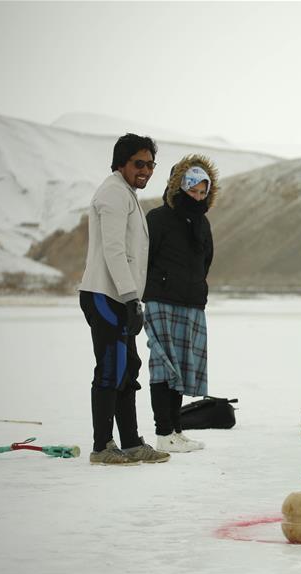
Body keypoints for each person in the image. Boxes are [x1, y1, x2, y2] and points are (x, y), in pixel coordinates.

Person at [78, 133, 170, 465]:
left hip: (119, 296)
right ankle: (102, 446)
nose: (145, 170)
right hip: (106, 294)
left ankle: (130, 443)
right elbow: (114, 249)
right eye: (139, 163)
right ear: (121, 163)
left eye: (150, 164)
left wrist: (132, 300)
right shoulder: (113, 194)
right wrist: (132, 299)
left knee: (128, 367)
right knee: (111, 368)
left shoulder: (125, 193)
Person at [143, 155, 218, 453]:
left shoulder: (203, 223)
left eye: (202, 192)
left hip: (192, 303)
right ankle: (163, 433)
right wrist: (155, 287)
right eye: (192, 191)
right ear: (178, 187)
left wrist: (197, 287)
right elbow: (144, 259)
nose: (197, 197)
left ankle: (176, 430)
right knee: (164, 365)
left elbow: (206, 261)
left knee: (183, 369)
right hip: (162, 301)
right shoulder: (157, 218)